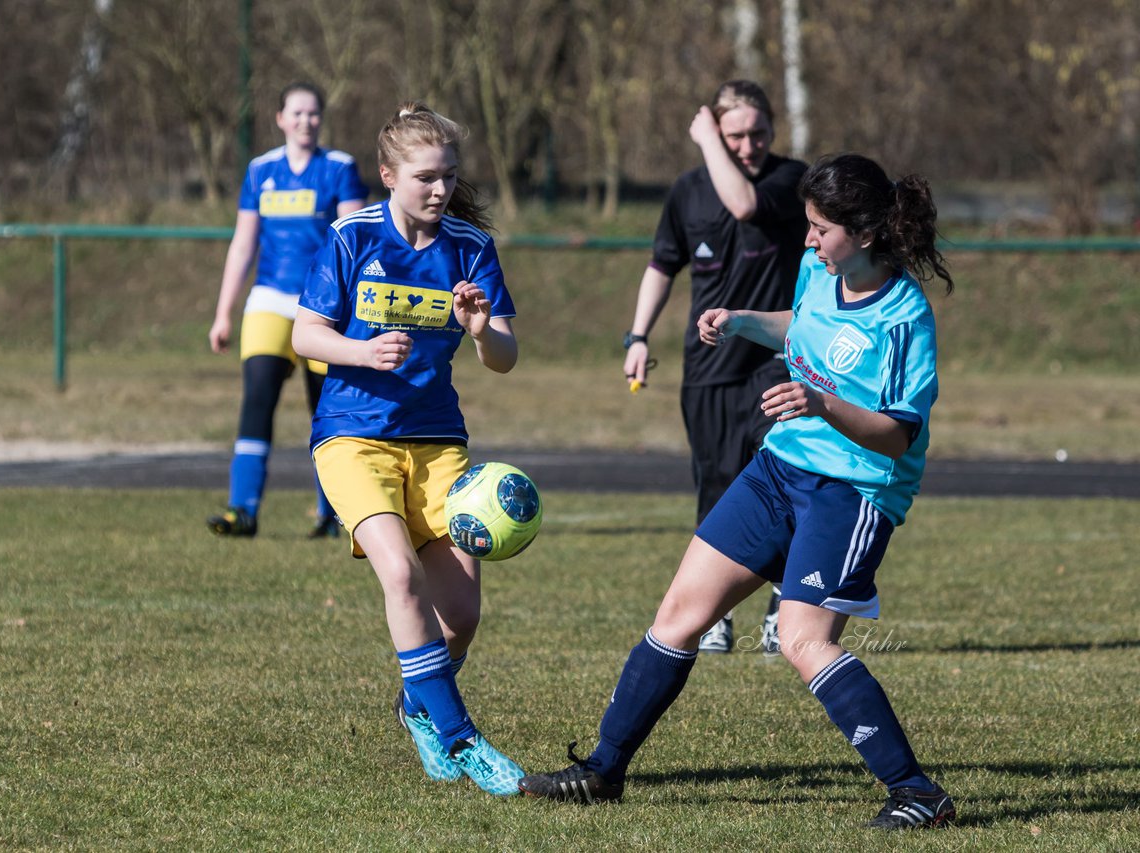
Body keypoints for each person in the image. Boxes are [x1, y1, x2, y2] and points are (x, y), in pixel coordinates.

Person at [520, 153, 958, 830]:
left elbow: (898, 435)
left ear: (865, 234)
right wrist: (744, 319)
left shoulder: (905, 318)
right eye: (808, 227)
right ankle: (603, 770)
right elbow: (802, 322)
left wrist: (819, 401)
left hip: (854, 492)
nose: (808, 240)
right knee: (678, 614)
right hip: (778, 469)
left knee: (801, 638)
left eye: (820, 229)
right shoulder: (821, 268)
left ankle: (916, 791)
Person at [291, 102, 525, 795]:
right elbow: (306, 334)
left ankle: (416, 706)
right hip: (352, 436)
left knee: (462, 617)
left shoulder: (470, 246)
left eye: (448, 176)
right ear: (388, 175)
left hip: (437, 443)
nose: (439, 189)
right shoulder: (351, 236)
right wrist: (361, 350)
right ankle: (463, 739)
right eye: (424, 177)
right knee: (399, 575)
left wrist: (482, 329)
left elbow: (505, 358)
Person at [623, 80, 808, 656]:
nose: (749, 145)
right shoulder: (687, 192)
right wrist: (637, 335)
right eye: (735, 135)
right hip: (707, 370)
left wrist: (708, 142)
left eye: (758, 133)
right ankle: (714, 615)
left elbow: (744, 204)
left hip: (777, 363)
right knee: (717, 489)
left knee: (788, 486)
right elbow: (663, 265)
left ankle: (783, 609)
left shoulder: (789, 180)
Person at [206, 82, 368, 539]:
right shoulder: (260, 171)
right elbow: (243, 245)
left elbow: (354, 243)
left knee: (326, 409)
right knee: (257, 397)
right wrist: (224, 313)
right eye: (296, 113)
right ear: (279, 118)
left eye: (313, 113)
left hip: (323, 307)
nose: (305, 121)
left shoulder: (339, 169)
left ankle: (332, 514)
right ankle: (243, 510)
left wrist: (349, 310)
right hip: (270, 302)